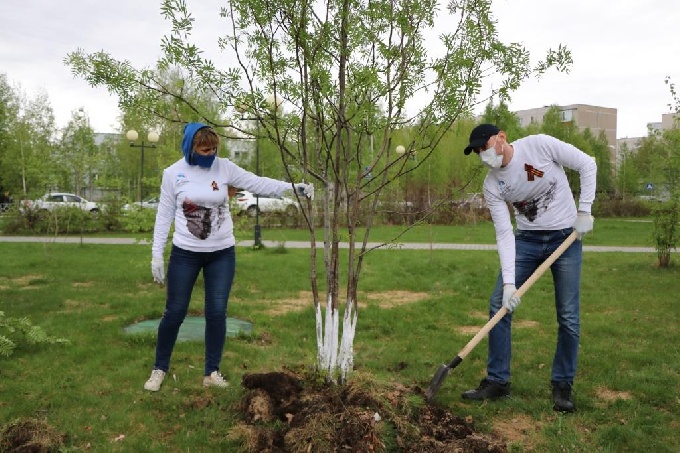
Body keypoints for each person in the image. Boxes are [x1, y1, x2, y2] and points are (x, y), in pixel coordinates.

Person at [144, 122, 314, 392]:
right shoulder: (173, 173)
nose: (210, 153)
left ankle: (211, 372)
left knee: (216, 312)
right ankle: (159, 368)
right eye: (204, 149)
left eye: (213, 148)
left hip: (221, 254)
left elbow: (258, 183)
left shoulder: (224, 168)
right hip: (185, 253)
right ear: (191, 148)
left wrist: (293, 188)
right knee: (175, 312)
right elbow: (164, 215)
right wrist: (156, 255)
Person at [460, 123, 596, 412]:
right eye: (477, 152)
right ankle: (498, 381)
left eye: (484, 147)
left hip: (566, 239)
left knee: (568, 316)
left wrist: (584, 210)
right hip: (527, 242)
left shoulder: (539, 145)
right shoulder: (492, 185)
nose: (483, 154)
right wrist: (510, 283)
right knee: (499, 303)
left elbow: (587, 164)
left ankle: (562, 384)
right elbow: (504, 234)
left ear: (501, 138)